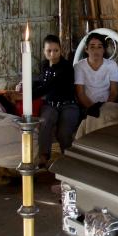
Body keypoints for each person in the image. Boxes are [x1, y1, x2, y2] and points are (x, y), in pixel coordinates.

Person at [32, 35, 81, 166]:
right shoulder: (44, 65)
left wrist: (27, 96)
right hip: (50, 104)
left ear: (61, 50)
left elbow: (49, 86)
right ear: (44, 51)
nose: (52, 54)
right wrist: (24, 87)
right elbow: (40, 82)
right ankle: (43, 156)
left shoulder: (66, 67)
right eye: (49, 51)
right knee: (45, 121)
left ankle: (68, 158)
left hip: (68, 105)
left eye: (56, 50)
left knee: (63, 132)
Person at [74, 33, 118, 138]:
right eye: (92, 47)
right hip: (87, 106)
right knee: (93, 119)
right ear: (86, 49)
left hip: (108, 104)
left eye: (99, 47)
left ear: (104, 50)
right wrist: (93, 108)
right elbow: (80, 93)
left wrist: (105, 107)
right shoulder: (79, 67)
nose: (96, 50)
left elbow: (114, 91)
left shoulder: (111, 65)